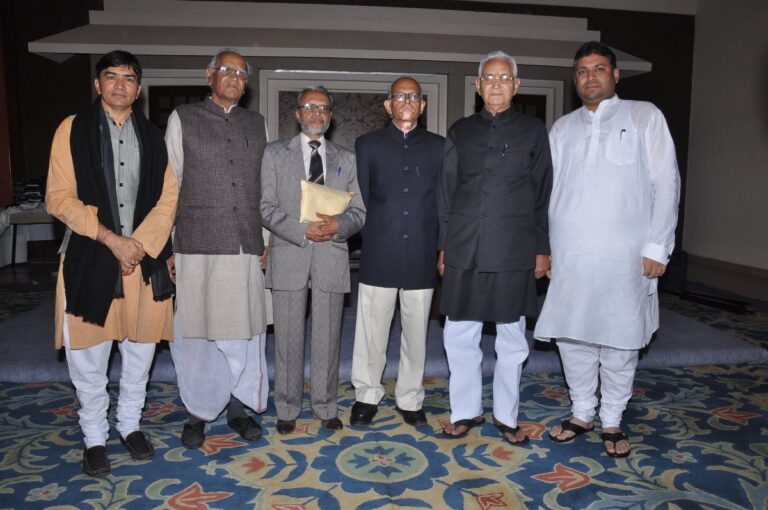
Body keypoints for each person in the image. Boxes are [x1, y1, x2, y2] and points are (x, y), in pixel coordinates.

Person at [534, 41, 680, 458]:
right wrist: (544, 247)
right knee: (574, 337)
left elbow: (666, 182)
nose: (590, 76)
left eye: (599, 68)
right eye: (582, 70)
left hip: (627, 256)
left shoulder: (644, 115)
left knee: (619, 338)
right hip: (572, 254)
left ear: (616, 75)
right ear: (574, 78)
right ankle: (581, 412)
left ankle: (612, 419)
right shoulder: (561, 128)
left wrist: (658, 246)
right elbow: (547, 193)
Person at [46, 50, 177, 476]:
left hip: (143, 259)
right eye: (111, 76)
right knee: (91, 354)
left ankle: (129, 425)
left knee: (140, 350)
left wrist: (136, 246)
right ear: (97, 84)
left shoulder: (155, 137)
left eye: (128, 78)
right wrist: (111, 240)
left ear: (138, 89)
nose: (120, 84)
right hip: (90, 255)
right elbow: (58, 197)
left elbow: (168, 199)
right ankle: (95, 437)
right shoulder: (71, 130)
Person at [438, 50, 552, 445]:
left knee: (512, 337)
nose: (497, 85)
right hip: (464, 246)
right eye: (490, 78)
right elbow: (446, 193)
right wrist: (443, 246)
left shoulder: (534, 130)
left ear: (516, 86)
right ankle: (465, 411)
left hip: (513, 250)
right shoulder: (460, 130)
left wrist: (542, 248)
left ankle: (506, 416)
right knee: (459, 333)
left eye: (505, 78)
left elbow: (542, 194)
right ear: (478, 85)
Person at [166, 49, 269, 448]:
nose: (234, 77)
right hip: (196, 242)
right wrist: (168, 248)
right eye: (226, 70)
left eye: (241, 73)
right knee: (197, 333)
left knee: (244, 332)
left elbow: (265, 189)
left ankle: (239, 406)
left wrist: (268, 242)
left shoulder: (256, 123)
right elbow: (169, 185)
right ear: (209, 75)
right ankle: (198, 410)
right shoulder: (184, 118)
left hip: (245, 242)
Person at [261, 85, 366, 434]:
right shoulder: (274, 154)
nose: (316, 113)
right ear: (297, 114)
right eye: (309, 107)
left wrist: (339, 225)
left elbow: (359, 212)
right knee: (288, 339)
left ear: (330, 115)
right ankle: (287, 408)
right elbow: (265, 207)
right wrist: (301, 230)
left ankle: (325, 406)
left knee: (328, 337)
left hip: (331, 259)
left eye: (323, 108)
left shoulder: (347, 159)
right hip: (290, 254)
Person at [349, 77, 443, 428]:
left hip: (421, 251)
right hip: (379, 251)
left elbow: (444, 203)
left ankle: (410, 397)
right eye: (400, 96)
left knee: (417, 332)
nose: (407, 101)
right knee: (371, 330)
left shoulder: (439, 147)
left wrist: (443, 246)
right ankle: (367, 394)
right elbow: (359, 201)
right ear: (388, 105)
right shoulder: (367, 145)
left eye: (414, 96)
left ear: (422, 105)